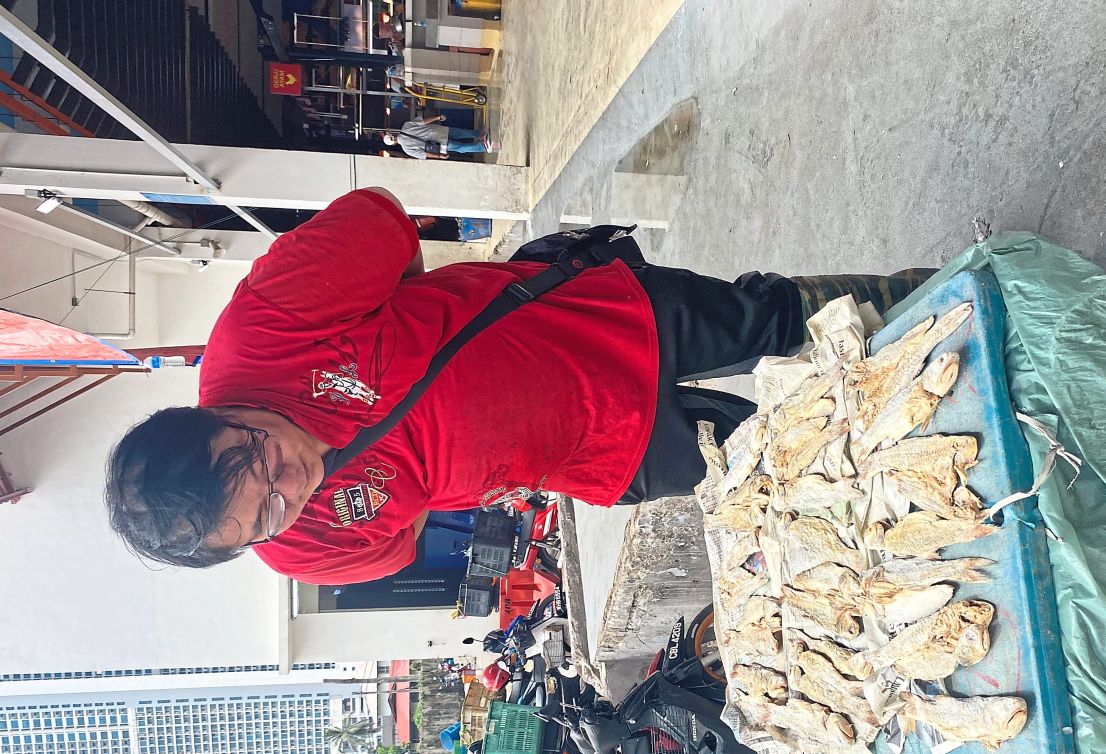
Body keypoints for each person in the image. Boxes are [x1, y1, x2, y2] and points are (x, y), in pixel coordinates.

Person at [105, 187, 931, 585]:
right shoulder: (299, 547)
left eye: (261, 458)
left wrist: (431, 306)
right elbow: (395, 543)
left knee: (772, 323)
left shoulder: (263, 330)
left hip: (599, 317)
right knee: (788, 463)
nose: (293, 486)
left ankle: (929, 301)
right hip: (605, 455)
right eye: (264, 516)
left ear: (215, 412)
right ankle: (938, 425)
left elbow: (383, 223)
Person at [383, 114, 492, 159]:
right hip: (439, 131)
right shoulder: (406, 126)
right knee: (461, 133)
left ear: (394, 144)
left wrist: (439, 156)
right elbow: (423, 122)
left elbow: (425, 154)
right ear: (393, 134)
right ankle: (480, 134)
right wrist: (437, 117)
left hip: (439, 146)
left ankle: (482, 147)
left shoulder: (407, 149)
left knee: (461, 148)